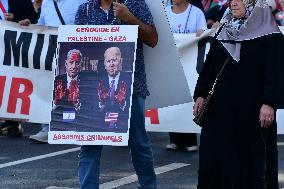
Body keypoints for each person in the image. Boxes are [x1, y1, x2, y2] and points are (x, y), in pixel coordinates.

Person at [193, 0, 284, 188]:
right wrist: (201, 94)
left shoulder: (268, 31)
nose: (233, 3)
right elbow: (210, 66)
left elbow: (275, 70)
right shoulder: (225, 27)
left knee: (251, 166)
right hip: (219, 112)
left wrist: (269, 103)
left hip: (252, 113)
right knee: (214, 162)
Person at [75, 0, 158, 188]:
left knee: (138, 144)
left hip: (132, 88)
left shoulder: (135, 4)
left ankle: (149, 186)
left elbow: (153, 39)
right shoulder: (85, 9)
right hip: (94, 90)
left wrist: (129, 18)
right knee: (90, 144)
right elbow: (78, 46)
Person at [28, 0, 86, 143]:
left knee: (72, 90)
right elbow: (41, 26)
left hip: (74, 52)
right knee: (48, 89)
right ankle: (47, 129)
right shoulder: (47, 3)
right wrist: (28, 26)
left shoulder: (82, 1)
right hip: (50, 53)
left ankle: (71, 126)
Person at [165, 0, 207, 152]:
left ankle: (190, 139)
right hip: (170, 63)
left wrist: (200, 34)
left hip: (190, 65)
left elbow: (203, 34)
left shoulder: (196, 13)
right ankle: (174, 138)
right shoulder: (165, 12)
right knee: (172, 99)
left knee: (189, 99)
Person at [0, 0, 40, 137]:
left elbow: (34, 20)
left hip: (11, 49)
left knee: (10, 80)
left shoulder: (19, 1)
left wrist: (16, 20)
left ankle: (12, 122)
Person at [97, 47, 131, 133]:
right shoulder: (98, 82)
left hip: (124, 127)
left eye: (114, 60)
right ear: (105, 64)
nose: (111, 64)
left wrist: (123, 104)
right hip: (101, 126)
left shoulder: (130, 80)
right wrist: (101, 103)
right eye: (108, 61)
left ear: (121, 61)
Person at [49, 49, 83, 132]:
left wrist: (78, 107)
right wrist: (55, 103)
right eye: (71, 62)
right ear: (66, 64)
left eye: (77, 63)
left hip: (79, 127)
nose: (74, 66)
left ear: (81, 65)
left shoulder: (87, 82)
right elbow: (44, 106)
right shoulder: (55, 80)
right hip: (57, 125)